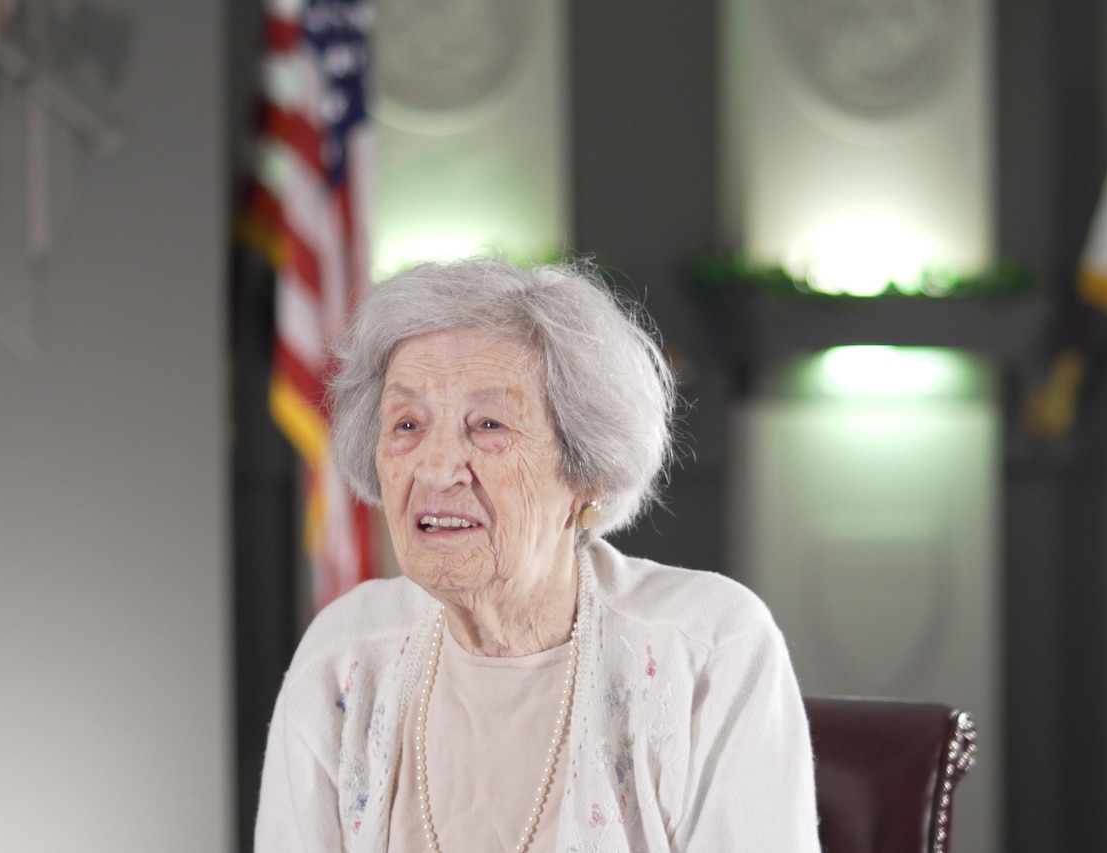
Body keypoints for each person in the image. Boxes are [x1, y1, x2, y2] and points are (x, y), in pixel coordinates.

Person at [255, 256, 820, 852]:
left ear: (586, 471)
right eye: (407, 425)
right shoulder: (344, 659)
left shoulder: (709, 649)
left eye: (489, 424)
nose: (439, 467)